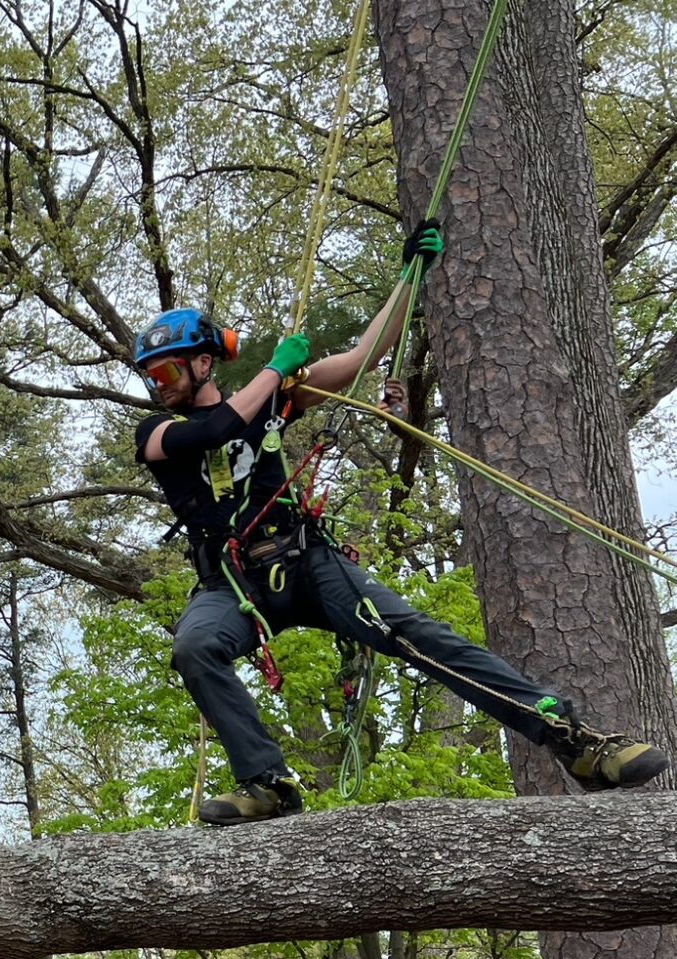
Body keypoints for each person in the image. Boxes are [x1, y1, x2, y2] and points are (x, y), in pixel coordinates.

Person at [133, 219, 668, 824]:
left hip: (305, 562)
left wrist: (411, 277)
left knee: (417, 634)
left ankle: (574, 741)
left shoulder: (274, 399)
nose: (161, 387)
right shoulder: (157, 433)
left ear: (204, 364)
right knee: (195, 646)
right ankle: (268, 783)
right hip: (232, 584)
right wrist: (277, 369)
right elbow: (217, 430)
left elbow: (365, 356)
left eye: (169, 373)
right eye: (152, 377)